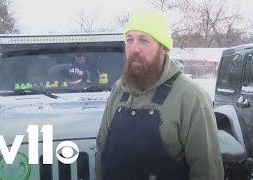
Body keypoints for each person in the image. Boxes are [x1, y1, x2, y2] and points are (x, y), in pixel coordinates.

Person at [95, 9, 224, 180]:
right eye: (129, 40)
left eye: (144, 41)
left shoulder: (190, 95)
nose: (134, 49)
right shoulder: (120, 89)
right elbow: (102, 149)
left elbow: (208, 169)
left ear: (163, 48)